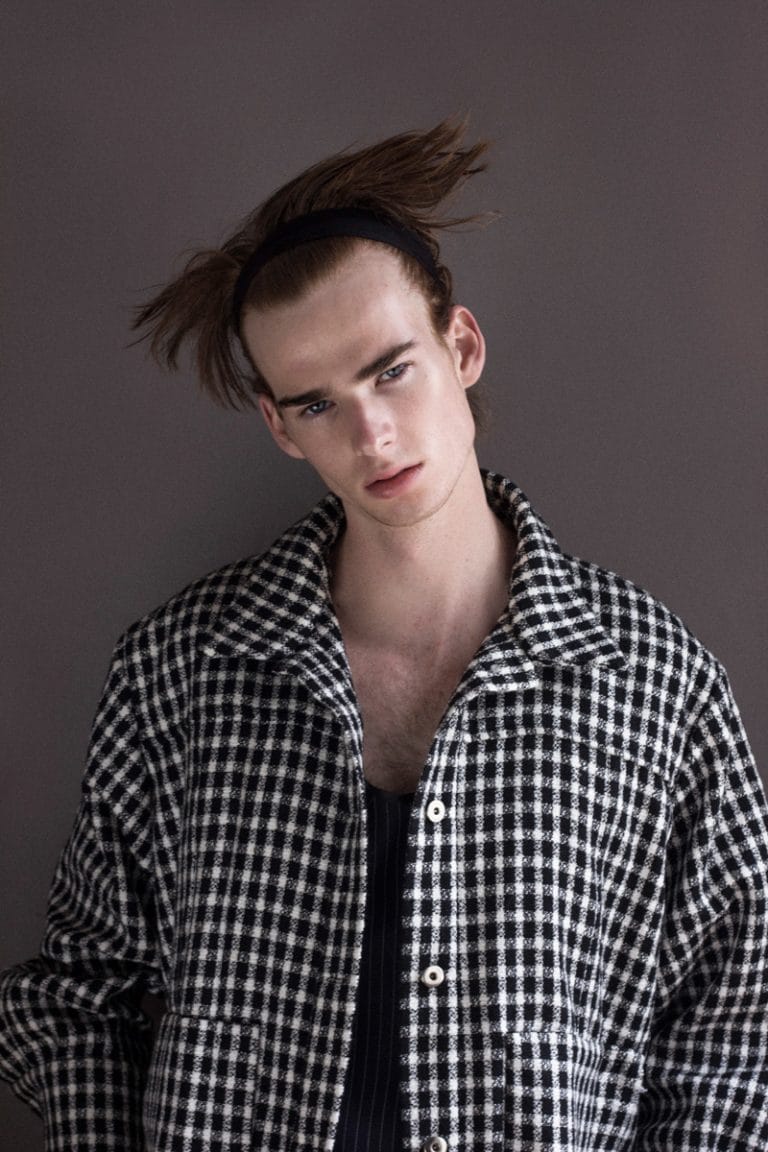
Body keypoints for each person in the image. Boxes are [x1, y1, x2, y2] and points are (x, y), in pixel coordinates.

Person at [1, 119, 767, 1152]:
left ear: (462, 346)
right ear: (279, 426)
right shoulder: (179, 671)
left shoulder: (657, 687)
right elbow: (76, 996)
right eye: (319, 403)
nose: (372, 434)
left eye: (392, 370)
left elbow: (732, 1042)